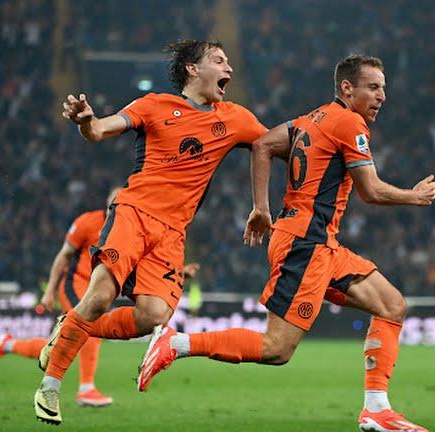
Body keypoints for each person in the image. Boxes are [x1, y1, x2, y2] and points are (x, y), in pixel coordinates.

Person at [137, 55, 435, 432]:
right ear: (347, 88)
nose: (382, 96)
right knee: (276, 348)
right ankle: (176, 343)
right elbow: (371, 190)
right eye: (373, 87)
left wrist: (261, 208)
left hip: (318, 242)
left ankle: (376, 410)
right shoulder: (350, 122)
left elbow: (263, 144)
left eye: (383, 88)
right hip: (306, 244)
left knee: (391, 305)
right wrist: (414, 196)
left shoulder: (309, 120)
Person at [33, 39, 267, 425]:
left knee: (152, 316)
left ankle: (70, 325)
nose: (229, 67)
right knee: (100, 296)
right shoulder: (154, 105)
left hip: (173, 233)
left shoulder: (235, 118)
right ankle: (50, 386)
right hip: (134, 212)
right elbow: (100, 131)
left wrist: (316, 142)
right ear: (193, 69)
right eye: (219, 60)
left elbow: (270, 142)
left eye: (228, 61)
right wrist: (86, 120)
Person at [0, 188, 120, 407]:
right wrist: (49, 291)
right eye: (113, 202)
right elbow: (64, 255)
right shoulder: (87, 222)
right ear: (107, 202)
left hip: (96, 290)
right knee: (90, 325)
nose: (116, 206)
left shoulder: (126, 230)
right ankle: (86, 389)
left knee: (55, 348)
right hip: (74, 285)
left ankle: (8, 344)